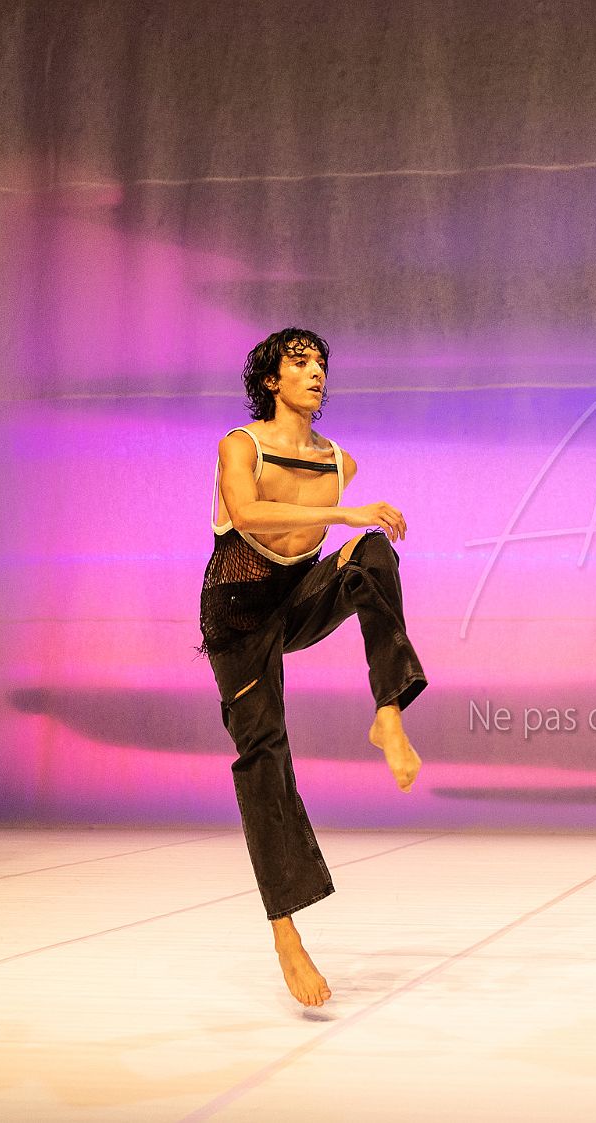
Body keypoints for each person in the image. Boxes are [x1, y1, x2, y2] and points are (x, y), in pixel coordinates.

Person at [199, 327, 426, 1007]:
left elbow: (334, 540)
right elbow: (248, 514)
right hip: (239, 611)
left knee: (372, 555)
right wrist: (343, 510)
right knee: (264, 753)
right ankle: (286, 933)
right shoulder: (242, 444)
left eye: (321, 362)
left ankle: (388, 710)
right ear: (272, 379)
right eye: (300, 362)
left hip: (297, 598)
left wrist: (353, 524)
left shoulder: (338, 460)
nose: (316, 371)